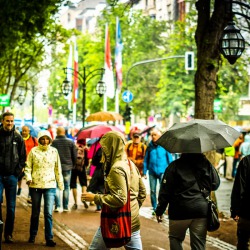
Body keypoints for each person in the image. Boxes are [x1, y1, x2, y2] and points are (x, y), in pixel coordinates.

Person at [81, 131, 147, 249]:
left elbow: (119, 199)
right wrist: (134, 208)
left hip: (116, 217)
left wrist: (95, 198)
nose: (103, 151)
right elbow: (142, 192)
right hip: (132, 219)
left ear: (110, 147)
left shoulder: (116, 169)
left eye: (104, 147)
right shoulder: (129, 163)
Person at [155, 153, 220, 250]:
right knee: (199, 243)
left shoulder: (174, 166)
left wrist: (160, 210)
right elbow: (215, 184)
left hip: (179, 210)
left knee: (175, 239)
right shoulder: (206, 164)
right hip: (200, 210)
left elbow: (165, 191)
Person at [24, 130, 64, 247]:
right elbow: (28, 166)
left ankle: (49, 238)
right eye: (43, 139)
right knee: (35, 213)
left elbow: (58, 168)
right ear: (39, 139)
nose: (45, 141)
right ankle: (32, 235)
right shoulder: (33, 151)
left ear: (50, 139)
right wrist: (28, 177)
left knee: (48, 213)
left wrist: (60, 184)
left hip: (50, 186)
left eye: (47, 139)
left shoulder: (54, 151)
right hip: (35, 185)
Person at [0, 112, 26, 243]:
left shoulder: (18, 137)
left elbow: (23, 157)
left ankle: (8, 234)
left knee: (11, 207)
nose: (10, 123)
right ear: (2, 121)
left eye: (11, 121)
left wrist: (17, 172)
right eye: (7, 121)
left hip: (12, 176)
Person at [143, 128, 173, 214]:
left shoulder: (164, 146)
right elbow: (146, 160)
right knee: (152, 190)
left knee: (162, 190)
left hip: (163, 172)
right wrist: (145, 172)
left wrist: (171, 172)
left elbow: (170, 159)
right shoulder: (149, 146)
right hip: (152, 172)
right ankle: (155, 207)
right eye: (152, 135)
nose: (153, 137)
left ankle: (161, 207)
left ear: (160, 136)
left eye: (155, 135)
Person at [52, 126, 77, 212]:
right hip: (67, 167)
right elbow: (74, 155)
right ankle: (65, 206)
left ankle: (57, 206)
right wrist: (73, 165)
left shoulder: (53, 142)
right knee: (66, 186)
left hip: (56, 167)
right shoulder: (70, 142)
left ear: (57, 132)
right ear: (64, 132)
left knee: (57, 186)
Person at [231, 153, 250, 250]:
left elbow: (239, 187)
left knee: (243, 243)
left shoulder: (246, 161)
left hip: (247, 212)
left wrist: (235, 210)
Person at [18, 125, 38, 201]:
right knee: (19, 177)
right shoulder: (19, 139)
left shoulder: (33, 139)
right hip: (21, 162)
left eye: (26, 131)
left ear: (29, 131)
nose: (24, 132)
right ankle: (19, 189)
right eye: (23, 130)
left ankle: (30, 194)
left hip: (30, 162)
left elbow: (37, 149)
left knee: (30, 178)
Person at [70, 139, 89, 210]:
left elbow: (71, 157)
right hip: (82, 168)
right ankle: (83, 198)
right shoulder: (86, 149)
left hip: (73, 168)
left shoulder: (74, 147)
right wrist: (85, 166)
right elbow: (87, 160)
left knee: (73, 184)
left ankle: (75, 203)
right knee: (84, 184)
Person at [86, 147, 104, 212]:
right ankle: (103, 206)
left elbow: (94, 162)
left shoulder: (100, 149)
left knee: (97, 188)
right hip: (107, 172)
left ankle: (99, 206)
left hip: (98, 172)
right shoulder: (113, 149)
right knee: (103, 189)